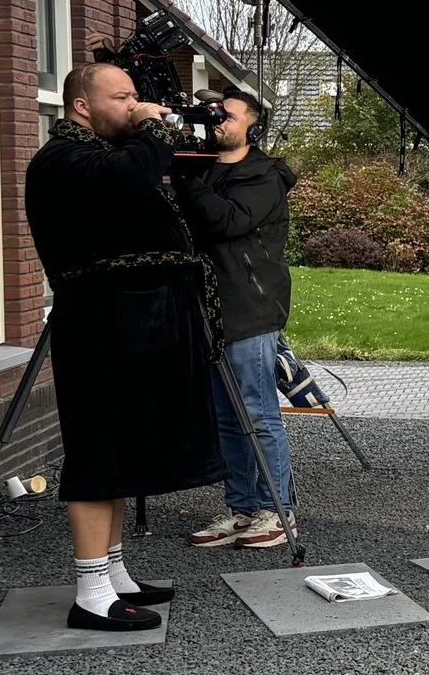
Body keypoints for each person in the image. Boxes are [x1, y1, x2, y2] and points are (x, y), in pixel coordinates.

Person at [23, 64, 224, 631]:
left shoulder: (100, 157)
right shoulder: (63, 160)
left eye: (138, 96)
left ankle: (113, 574)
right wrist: (151, 127)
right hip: (99, 327)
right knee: (98, 452)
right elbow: (129, 177)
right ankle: (90, 591)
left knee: (124, 452)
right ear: (82, 106)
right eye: (123, 97)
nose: (137, 106)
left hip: (130, 326)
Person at [175, 91, 299, 551]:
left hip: (248, 307)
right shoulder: (201, 169)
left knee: (257, 412)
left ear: (252, 126)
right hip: (205, 306)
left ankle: (278, 509)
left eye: (226, 115)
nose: (217, 122)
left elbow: (226, 221)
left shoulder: (263, 176)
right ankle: (243, 509)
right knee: (226, 416)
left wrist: (186, 177)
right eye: (213, 115)